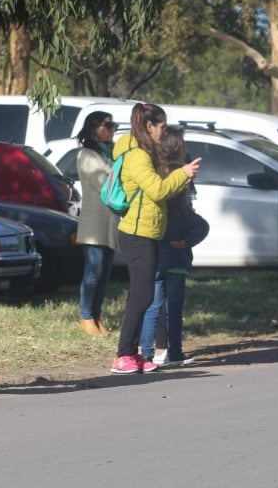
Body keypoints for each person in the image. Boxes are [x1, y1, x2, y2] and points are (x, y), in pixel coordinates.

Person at [110, 103, 201, 374]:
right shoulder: (138, 156)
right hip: (137, 234)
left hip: (147, 232)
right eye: (161, 127)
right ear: (149, 127)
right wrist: (181, 175)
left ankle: (135, 354)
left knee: (144, 295)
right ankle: (123, 355)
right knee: (141, 296)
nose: (164, 132)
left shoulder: (143, 152)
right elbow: (157, 191)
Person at [139, 126, 209, 367]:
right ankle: (175, 352)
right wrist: (186, 242)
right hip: (176, 258)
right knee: (174, 308)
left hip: (155, 255)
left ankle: (145, 355)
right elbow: (199, 225)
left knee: (152, 307)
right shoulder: (179, 191)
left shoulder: (151, 175)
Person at [75, 111, 120, 336]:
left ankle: (96, 315)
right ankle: (86, 317)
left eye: (114, 125)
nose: (113, 130)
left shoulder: (109, 154)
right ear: (94, 128)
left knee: (104, 272)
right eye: (108, 125)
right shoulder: (87, 154)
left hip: (110, 222)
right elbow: (105, 183)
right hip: (94, 222)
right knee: (94, 270)